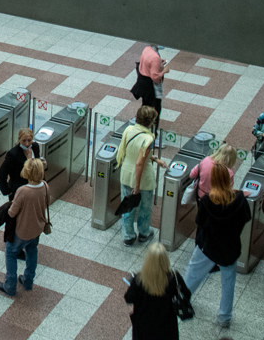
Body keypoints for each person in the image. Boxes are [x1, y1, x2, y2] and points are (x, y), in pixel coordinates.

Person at [181, 163, 252, 329]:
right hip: (230, 248)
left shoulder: (207, 201)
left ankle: (182, 298)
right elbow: (245, 219)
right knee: (228, 283)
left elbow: (200, 224)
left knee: (193, 274)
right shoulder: (240, 200)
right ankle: (224, 317)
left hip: (208, 247)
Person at [0, 157, 51, 296]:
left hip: (21, 230)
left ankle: (10, 286)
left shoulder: (23, 190)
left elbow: (12, 212)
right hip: (37, 228)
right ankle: (28, 280)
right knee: (32, 251)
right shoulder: (45, 186)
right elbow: (47, 202)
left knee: (11, 253)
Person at [116, 105, 168, 246]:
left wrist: (156, 159)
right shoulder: (148, 138)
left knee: (128, 206)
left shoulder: (129, 130)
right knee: (145, 208)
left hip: (126, 174)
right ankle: (144, 233)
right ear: (151, 122)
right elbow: (139, 163)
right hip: (143, 179)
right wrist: (137, 186)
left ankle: (128, 236)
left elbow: (133, 152)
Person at [124, 242, 187, 340]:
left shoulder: (139, 280)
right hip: (167, 326)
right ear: (165, 260)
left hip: (144, 325)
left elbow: (129, 298)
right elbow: (186, 295)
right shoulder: (174, 278)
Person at [131, 44, 167, 120]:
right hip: (151, 87)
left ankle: (141, 118)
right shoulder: (155, 57)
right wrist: (164, 71)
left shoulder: (147, 49)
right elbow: (155, 77)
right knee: (154, 107)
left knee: (146, 104)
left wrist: (158, 63)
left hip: (143, 84)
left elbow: (147, 63)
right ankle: (150, 123)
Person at [0, 127, 36, 198]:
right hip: (19, 190)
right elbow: (1, 174)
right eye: (24, 141)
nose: (27, 144)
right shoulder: (13, 154)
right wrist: (7, 191)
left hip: (34, 188)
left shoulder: (35, 147)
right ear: (19, 140)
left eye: (29, 140)